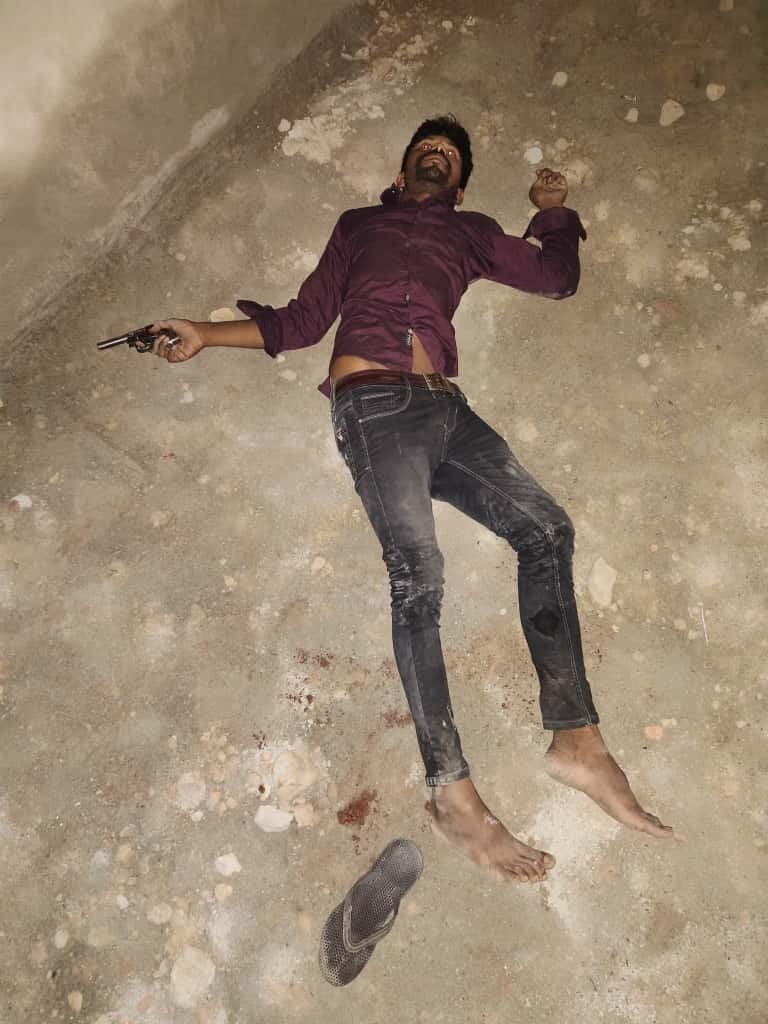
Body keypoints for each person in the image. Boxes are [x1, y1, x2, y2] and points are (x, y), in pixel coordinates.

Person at [151, 114, 672, 883]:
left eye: (451, 155)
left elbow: (556, 278)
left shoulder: (471, 233)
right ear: (401, 175)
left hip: (447, 409)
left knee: (546, 530)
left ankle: (577, 739)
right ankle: (451, 792)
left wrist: (553, 212)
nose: (439, 154)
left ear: (458, 185)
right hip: (373, 406)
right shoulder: (358, 224)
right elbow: (299, 322)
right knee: (419, 577)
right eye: (428, 148)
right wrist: (202, 331)